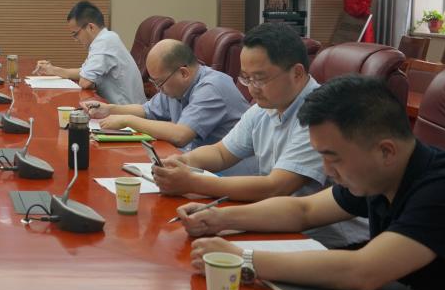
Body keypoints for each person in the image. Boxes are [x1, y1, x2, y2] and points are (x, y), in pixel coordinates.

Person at [181, 75, 445, 290]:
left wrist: (243, 259)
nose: (327, 170)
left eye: (334, 158)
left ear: (386, 151)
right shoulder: (380, 174)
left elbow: (363, 271)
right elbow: (304, 210)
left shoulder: (438, 188)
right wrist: (218, 218)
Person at [151, 22, 364, 247]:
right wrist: (184, 161)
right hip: (280, 223)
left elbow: (276, 187)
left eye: (260, 78)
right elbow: (221, 153)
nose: (252, 88)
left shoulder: (320, 116)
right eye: (246, 77)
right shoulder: (266, 107)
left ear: (297, 73)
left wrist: (192, 182)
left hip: (330, 242)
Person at [79, 39, 248, 150]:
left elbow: (180, 135)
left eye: (159, 82)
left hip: (229, 177)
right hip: (196, 164)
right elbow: (146, 110)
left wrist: (127, 120)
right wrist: (109, 109)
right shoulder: (176, 86)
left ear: (183, 73)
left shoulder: (212, 87)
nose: (159, 89)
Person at [33, 0, 145, 105]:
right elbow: (84, 72)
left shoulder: (105, 42)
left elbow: (85, 82)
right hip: (116, 109)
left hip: (127, 113)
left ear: (91, 27)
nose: (76, 39)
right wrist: (52, 69)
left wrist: (85, 78)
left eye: (75, 34)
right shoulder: (106, 39)